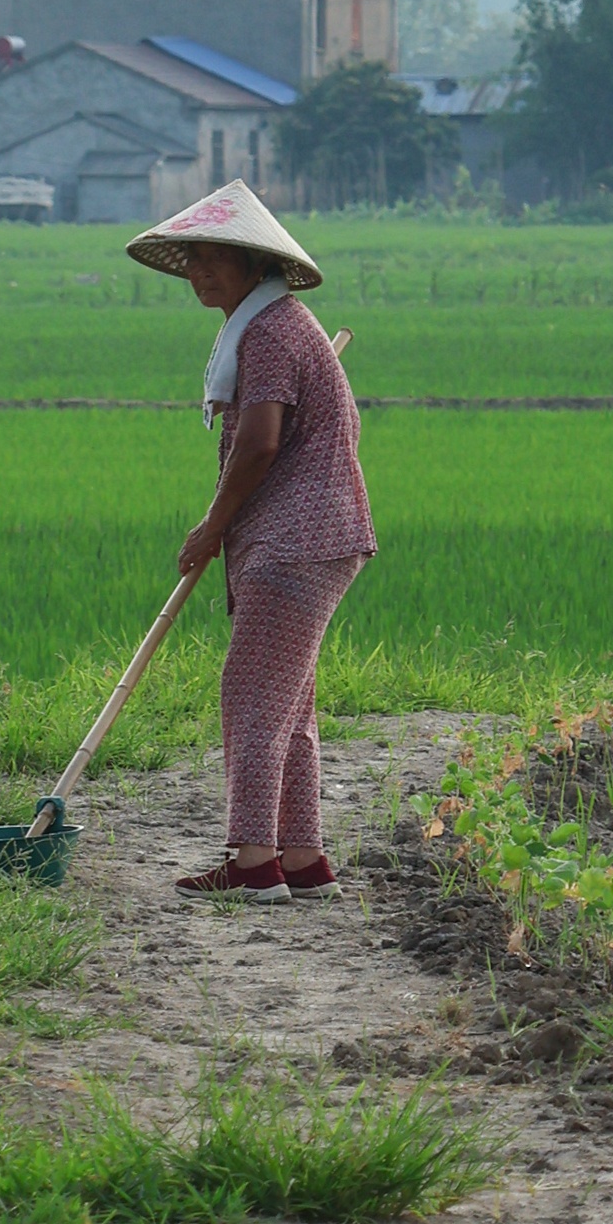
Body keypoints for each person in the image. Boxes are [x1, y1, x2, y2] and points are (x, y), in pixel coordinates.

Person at [125, 181, 374, 902]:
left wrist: (212, 523)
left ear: (250, 265)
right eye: (193, 261)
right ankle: (302, 859)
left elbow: (260, 444)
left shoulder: (269, 332)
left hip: (298, 537)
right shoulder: (276, 327)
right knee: (291, 702)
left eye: (212, 261)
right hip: (312, 534)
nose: (199, 274)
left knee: (253, 692)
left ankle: (253, 858)